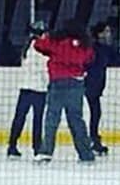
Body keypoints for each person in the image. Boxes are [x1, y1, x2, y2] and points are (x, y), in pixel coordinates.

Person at [32, 22, 96, 164]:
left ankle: (46, 152)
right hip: (76, 84)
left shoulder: (57, 42)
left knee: (52, 119)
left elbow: (38, 45)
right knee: (76, 120)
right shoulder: (84, 46)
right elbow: (89, 58)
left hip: (58, 83)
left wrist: (47, 37)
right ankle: (86, 154)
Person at [4, 21, 49, 158]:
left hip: (25, 87)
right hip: (39, 88)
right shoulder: (40, 49)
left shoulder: (27, 47)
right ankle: (37, 147)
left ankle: (12, 145)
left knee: (20, 117)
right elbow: (44, 69)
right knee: (38, 119)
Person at [83, 19, 119, 156]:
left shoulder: (103, 49)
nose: (109, 34)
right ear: (100, 34)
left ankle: (93, 139)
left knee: (96, 114)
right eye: (107, 31)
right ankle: (93, 140)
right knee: (94, 113)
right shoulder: (96, 49)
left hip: (95, 86)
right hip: (90, 85)